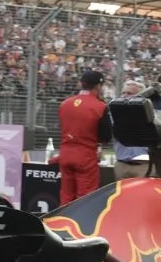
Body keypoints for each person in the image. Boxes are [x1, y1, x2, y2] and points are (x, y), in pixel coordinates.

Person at [57, 70, 112, 205]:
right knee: (85, 200)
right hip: (85, 156)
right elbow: (106, 136)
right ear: (98, 86)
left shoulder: (65, 104)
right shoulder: (100, 106)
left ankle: (62, 223)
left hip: (65, 154)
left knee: (66, 196)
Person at [114, 80, 151, 179]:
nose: (125, 96)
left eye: (130, 93)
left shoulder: (150, 115)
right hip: (122, 164)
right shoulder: (114, 114)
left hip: (143, 166)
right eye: (123, 93)